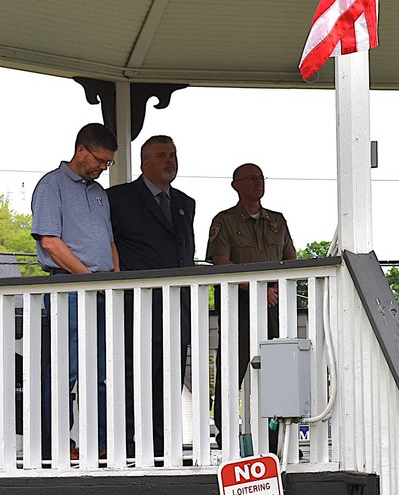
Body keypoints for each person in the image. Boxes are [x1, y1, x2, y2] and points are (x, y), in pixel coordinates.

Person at [30, 122, 119, 459]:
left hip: (101, 291)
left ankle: (99, 444)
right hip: (68, 288)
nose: (103, 167)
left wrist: (116, 280)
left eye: (108, 162)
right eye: (100, 160)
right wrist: (89, 279)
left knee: (100, 372)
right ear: (81, 150)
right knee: (65, 370)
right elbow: (50, 243)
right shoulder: (51, 185)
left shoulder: (98, 193)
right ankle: (58, 444)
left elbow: (109, 242)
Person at [108, 135, 196, 459]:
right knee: (135, 381)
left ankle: (164, 449)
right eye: (161, 155)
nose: (169, 161)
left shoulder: (185, 203)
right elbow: (109, 248)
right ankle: (132, 450)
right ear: (144, 162)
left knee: (169, 383)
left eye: (173, 154)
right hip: (138, 309)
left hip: (177, 309)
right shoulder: (119, 199)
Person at [206, 163, 296, 450]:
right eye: (251, 178)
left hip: (274, 308)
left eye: (261, 178)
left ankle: (275, 437)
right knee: (231, 370)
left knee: (277, 371)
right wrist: (257, 289)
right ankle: (226, 434)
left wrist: (274, 290)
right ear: (236, 185)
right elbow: (221, 263)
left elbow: (291, 262)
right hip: (238, 308)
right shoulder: (225, 221)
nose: (258, 183)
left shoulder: (277, 221)